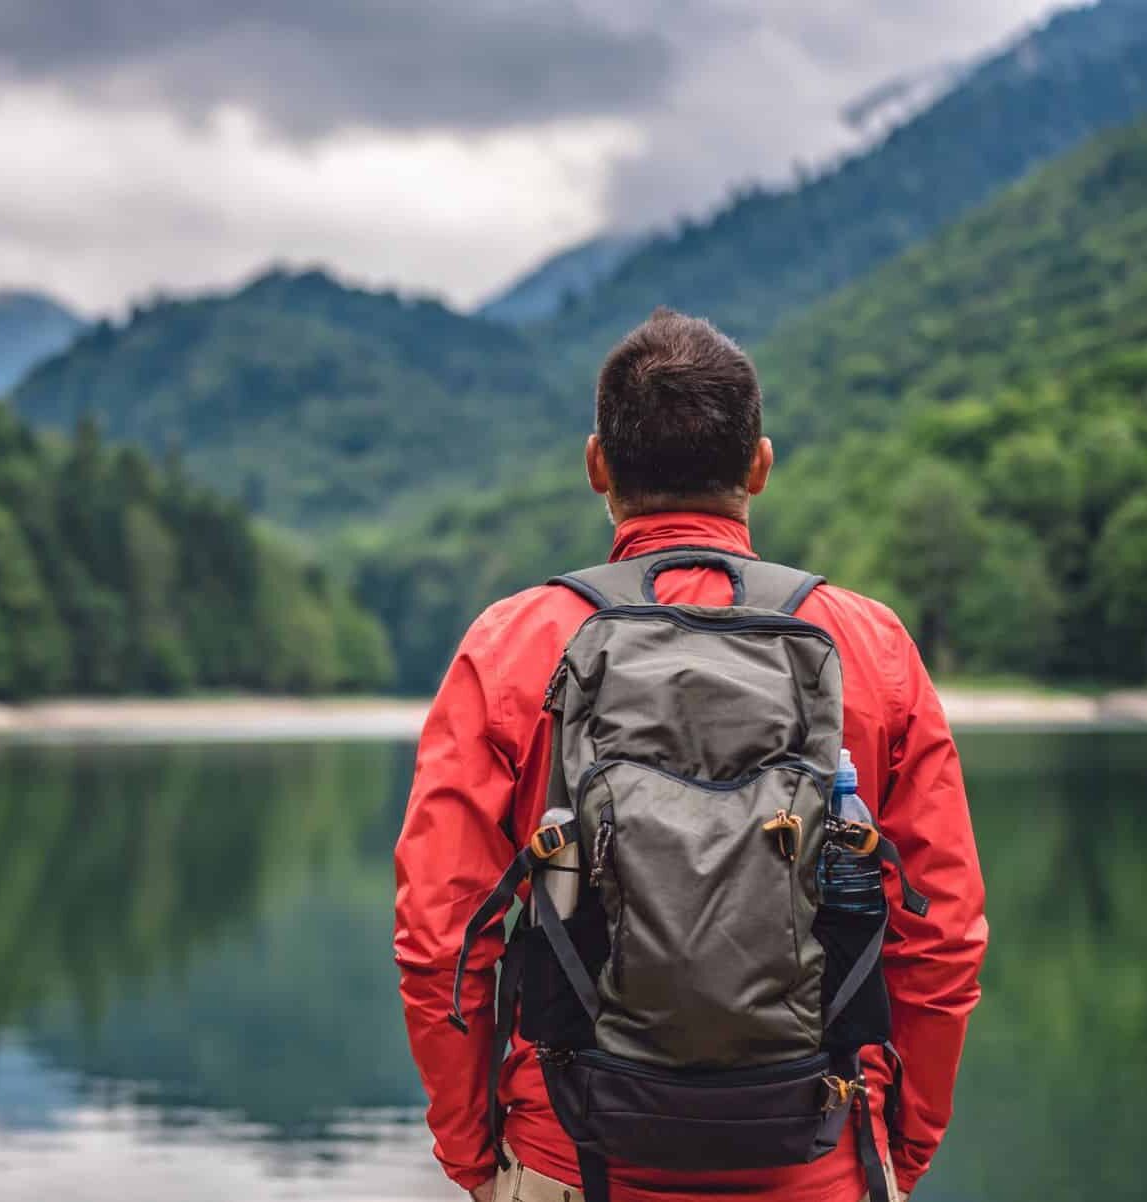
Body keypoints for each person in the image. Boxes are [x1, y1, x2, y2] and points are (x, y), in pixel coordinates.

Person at [392, 308, 987, 1202]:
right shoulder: (868, 645)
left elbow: (440, 939)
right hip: (817, 1157)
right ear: (760, 465)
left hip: (573, 1156)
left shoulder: (512, 643)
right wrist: (899, 1145)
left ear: (598, 463)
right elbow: (940, 938)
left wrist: (478, 1157)